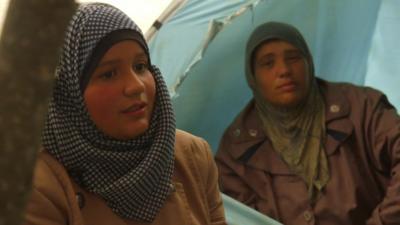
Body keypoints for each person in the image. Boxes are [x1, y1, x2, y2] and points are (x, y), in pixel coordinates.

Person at [24, 3, 226, 225]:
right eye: (109, 74)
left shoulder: (193, 156)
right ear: (69, 93)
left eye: (140, 66)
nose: (135, 86)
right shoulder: (38, 187)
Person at [215, 21, 400, 225]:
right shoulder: (236, 151)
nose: (284, 70)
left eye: (293, 58)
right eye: (268, 63)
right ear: (252, 77)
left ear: (309, 62)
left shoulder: (363, 107)